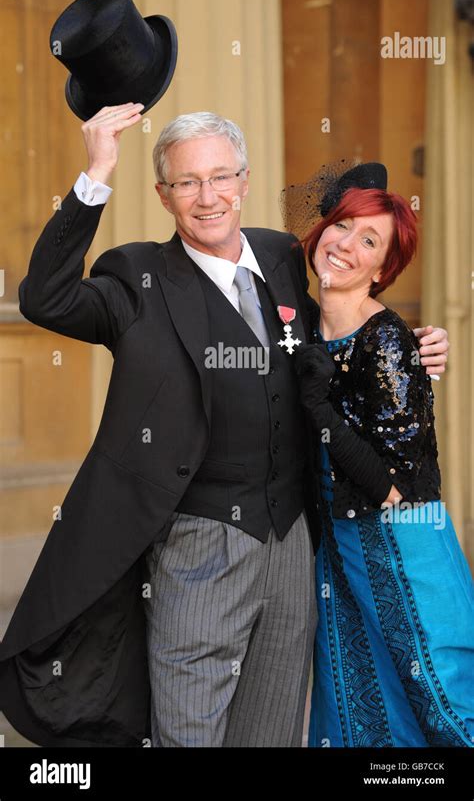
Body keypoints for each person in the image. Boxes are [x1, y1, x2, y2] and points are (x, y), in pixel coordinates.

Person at [0, 113, 448, 748]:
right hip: (197, 542)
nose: (206, 197)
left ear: (243, 181)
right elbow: (46, 299)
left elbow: (348, 327)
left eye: (220, 178)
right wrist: (96, 171)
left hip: (293, 536)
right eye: (186, 183)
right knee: (189, 732)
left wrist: (418, 345)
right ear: (163, 195)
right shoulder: (137, 277)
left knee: (270, 732)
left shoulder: (286, 256)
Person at [290, 162, 474, 747]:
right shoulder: (304, 325)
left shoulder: (390, 341)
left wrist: (318, 409)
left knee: (440, 701)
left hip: (402, 543)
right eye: (342, 225)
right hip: (339, 551)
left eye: (369, 240)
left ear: (382, 268)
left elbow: (394, 482)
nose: (347, 244)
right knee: (356, 712)